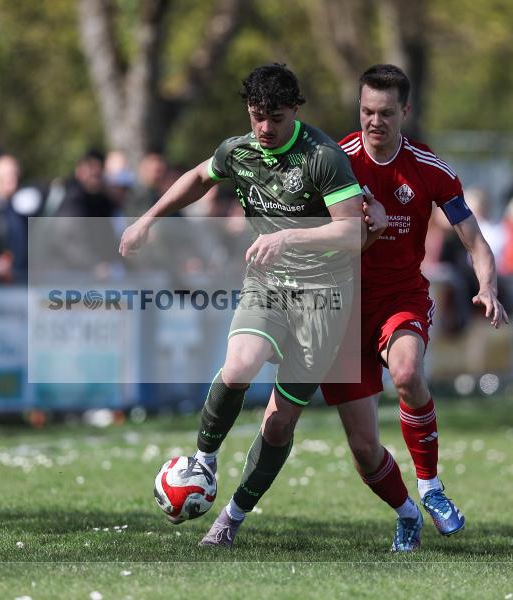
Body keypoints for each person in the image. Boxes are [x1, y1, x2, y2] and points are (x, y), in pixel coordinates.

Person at [120, 64, 376, 547]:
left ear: (295, 111)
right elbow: (200, 176)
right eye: (257, 116)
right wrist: (149, 218)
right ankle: (203, 461)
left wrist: (289, 236)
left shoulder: (323, 157)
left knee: (278, 423)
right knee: (238, 368)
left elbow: (353, 230)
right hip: (267, 285)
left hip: (323, 297)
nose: (264, 127)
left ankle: (231, 520)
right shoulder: (240, 150)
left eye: (275, 118)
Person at [321, 64, 509, 551]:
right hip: (339, 311)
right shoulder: (334, 162)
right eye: (366, 111)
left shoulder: (429, 168)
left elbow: (476, 241)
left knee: (406, 374)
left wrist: (486, 286)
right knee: (363, 449)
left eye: (385, 112)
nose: (374, 122)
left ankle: (430, 486)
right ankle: (406, 512)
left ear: (405, 111)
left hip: (400, 298)